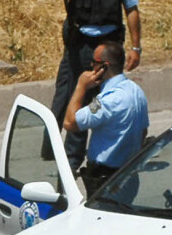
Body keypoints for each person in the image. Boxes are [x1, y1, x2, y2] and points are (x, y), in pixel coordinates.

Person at [50, 0, 142, 173]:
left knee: (106, 98)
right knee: (78, 99)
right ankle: (71, 160)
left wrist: (136, 48)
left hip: (109, 44)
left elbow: (131, 9)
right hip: (81, 45)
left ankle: (112, 156)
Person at [63, 41, 148, 195]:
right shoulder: (137, 91)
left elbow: (70, 123)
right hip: (129, 175)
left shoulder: (107, 101)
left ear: (104, 67)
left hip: (106, 180)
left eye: (94, 62)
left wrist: (81, 87)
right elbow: (143, 132)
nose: (90, 65)